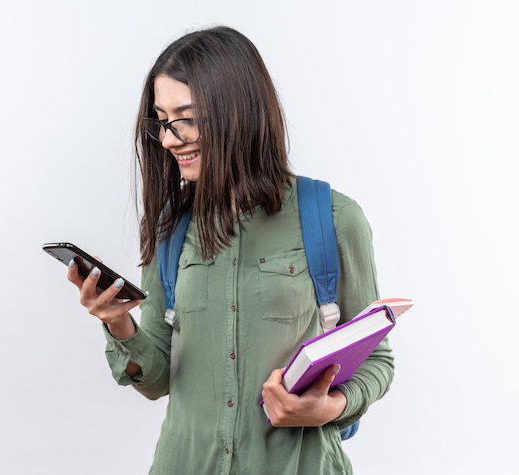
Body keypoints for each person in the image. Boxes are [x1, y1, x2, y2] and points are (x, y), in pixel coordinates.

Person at [67, 25, 394, 475]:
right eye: (162, 120)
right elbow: (158, 378)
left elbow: (376, 355)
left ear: (238, 111)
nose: (168, 139)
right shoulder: (171, 227)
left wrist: (330, 407)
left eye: (186, 117)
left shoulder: (333, 218)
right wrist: (119, 323)